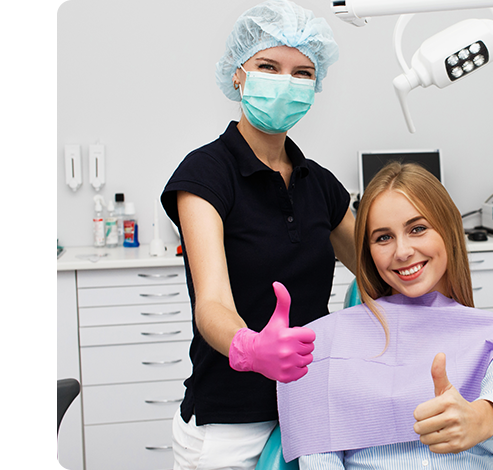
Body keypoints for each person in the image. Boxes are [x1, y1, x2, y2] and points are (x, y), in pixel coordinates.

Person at [160, 1, 356, 469]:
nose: (286, 82)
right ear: (238, 75)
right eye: (269, 66)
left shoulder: (320, 183)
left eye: (302, 73)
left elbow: (379, 268)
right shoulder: (206, 174)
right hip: (232, 424)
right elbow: (212, 304)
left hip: (311, 410)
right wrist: (249, 347)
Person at [277, 162, 493, 469]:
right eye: (383, 237)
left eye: (418, 229)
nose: (402, 251)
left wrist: (481, 418)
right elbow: (319, 457)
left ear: (449, 229)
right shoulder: (324, 345)